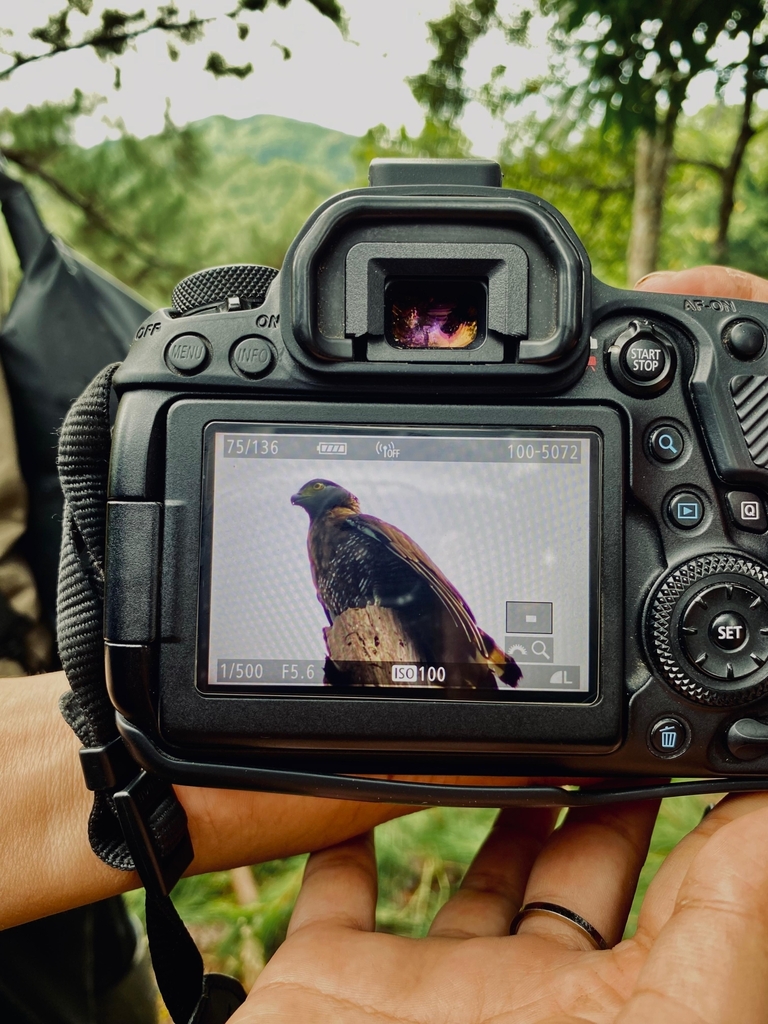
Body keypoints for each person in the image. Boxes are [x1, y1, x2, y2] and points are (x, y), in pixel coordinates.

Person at [3, 265, 767, 1018]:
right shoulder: (318, 541)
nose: (307, 497)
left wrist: (483, 655)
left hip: (430, 633)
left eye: (316, 490)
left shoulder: (350, 526)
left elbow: (431, 586)